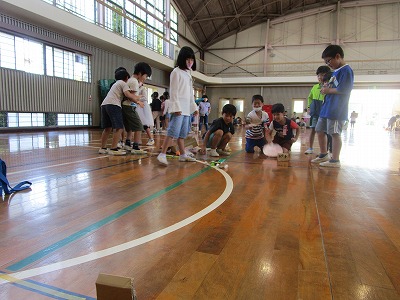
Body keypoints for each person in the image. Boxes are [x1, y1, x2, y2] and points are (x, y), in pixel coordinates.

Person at [311, 45, 354, 168]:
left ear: (338, 56)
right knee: (319, 129)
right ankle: (323, 153)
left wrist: (328, 91)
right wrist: (325, 89)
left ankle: (335, 160)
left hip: (336, 109)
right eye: (326, 62)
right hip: (327, 108)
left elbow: (345, 89)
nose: (328, 64)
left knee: (334, 133)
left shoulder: (346, 70)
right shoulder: (335, 71)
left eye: (329, 61)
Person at [157, 46, 199, 165]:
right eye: (187, 59)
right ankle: (162, 154)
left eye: (192, 60)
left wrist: (194, 108)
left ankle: (183, 154)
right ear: (182, 59)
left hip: (186, 110)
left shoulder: (188, 74)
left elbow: (190, 94)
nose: (190, 62)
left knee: (182, 134)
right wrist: (176, 108)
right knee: (172, 132)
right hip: (179, 109)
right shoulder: (176, 72)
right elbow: (173, 92)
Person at [99, 69, 141, 155]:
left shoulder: (115, 84)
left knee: (107, 128)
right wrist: (137, 98)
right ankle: (114, 148)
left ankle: (102, 148)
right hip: (114, 105)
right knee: (119, 127)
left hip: (104, 105)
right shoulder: (123, 83)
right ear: (126, 78)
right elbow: (128, 95)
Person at [121, 62, 151, 154]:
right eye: (145, 76)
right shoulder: (134, 81)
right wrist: (138, 101)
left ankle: (127, 143)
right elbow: (132, 96)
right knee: (138, 126)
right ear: (140, 73)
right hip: (129, 107)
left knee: (129, 128)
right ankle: (136, 147)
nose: (145, 78)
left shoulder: (131, 80)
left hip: (126, 106)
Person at [304, 65, 331, 154]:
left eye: (322, 75)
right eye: (318, 75)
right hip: (315, 111)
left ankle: (324, 151)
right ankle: (310, 148)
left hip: (325, 111)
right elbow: (310, 98)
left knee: (325, 132)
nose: (320, 77)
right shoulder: (315, 87)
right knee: (313, 130)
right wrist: (309, 107)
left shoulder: (329, 87)